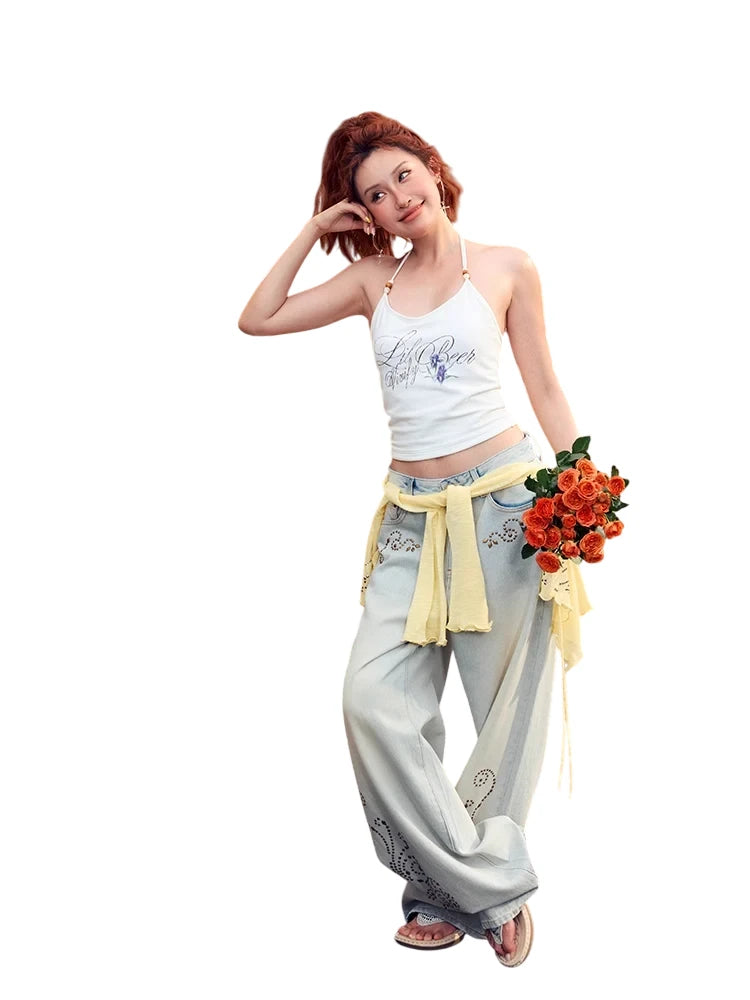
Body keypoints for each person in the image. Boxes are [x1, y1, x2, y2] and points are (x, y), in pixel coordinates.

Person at [237, 111, 580, 967]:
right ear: (365, 214)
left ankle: (439, 896)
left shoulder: (505, 266)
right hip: (410, 521)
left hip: (507, 510)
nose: (397, 197)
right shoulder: (372, 283)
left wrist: (581, 491)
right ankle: (493, 890)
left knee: (505, 714)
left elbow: (544, 386)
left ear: (432, 166)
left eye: (402, 174)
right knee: (372, 701)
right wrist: (313, 229)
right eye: (374, 194)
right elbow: (257, 318)